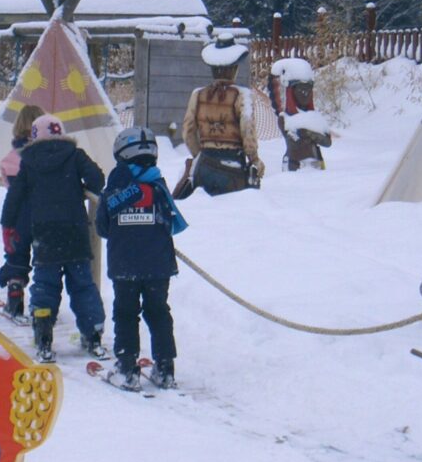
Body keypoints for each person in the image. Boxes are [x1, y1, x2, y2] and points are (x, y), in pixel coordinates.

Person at [0, 113, 107, 363]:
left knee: (45, 285)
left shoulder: (29, 160)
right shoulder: (75, 155)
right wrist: (80, 187)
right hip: (74, 231)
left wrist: (8, 224)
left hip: (45, 234)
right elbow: (97, 179)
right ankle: (92, 334)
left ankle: (44, 335)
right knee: (83, 284)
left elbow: (15, 196)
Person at [96, 126, 187, 391]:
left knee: (126, 313)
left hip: (125, 266)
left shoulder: (115, 188)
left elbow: (102, 227)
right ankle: (165, 368)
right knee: (158, 313)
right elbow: (169, 221)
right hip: (158, 266)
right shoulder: (158, 185)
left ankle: (127, 369)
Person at [181, 32, 265, 196]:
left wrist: (199, 155)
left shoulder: (197, 95)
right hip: (232, 167)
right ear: (234, 69)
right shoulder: (243, 95)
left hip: (204, 166)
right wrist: (254, 159)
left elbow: (187, 132)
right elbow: (247, 131)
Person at [0, 104, 45, 320]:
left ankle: (14, 296)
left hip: (17, 213)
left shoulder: (12, 156)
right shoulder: (47, 153)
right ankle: (43, 302)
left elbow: (8, 182)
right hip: (44, 212)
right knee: (44, 259)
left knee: (17, 256)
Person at [268, 58, 332, 171]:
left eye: (308, 90)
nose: (305, 93)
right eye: (301, 90)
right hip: (294, 166)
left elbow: (327, 142)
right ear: (291, 92)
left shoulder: (315, 117)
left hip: (315, 165)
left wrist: (309, 133)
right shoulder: (285, 118)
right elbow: (293, 141)